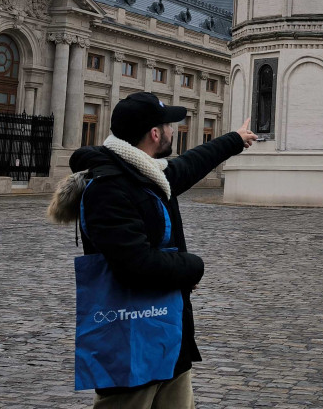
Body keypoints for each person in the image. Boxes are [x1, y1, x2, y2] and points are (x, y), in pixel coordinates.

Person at [48, 91, 257, 408]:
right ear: (155, 133)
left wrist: (236, 140)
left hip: (168, 334)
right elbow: (135, 264)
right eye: (170, 125)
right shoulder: (108, 188)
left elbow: (189, 165)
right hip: (128, 339)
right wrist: (191, 267)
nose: (175, 131)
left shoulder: (147, 173)